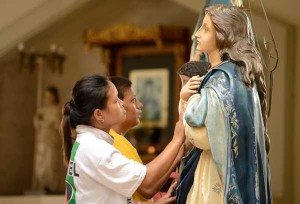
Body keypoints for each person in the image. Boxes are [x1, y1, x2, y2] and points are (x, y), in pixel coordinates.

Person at [175, 5, 272, 204]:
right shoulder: (238, 75)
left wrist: (187, 99)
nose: (197, 34)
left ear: (223, 34)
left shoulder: (223, 79)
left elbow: (203, 137)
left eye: (206, 28)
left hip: (218, 175)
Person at [61, 75, 185, 204]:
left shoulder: (89, 143)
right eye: (115, 101)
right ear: (99, 114)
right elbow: (147, 183)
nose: (121, 103)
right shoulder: (96, 149)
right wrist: (177, 139)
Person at [109, 76, 180, 203]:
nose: (140, 105)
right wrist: (178, 140)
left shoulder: (119, 140)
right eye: (133, 100)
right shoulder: (114, 141)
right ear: (118, 104)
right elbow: (146, 187)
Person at [33, 86, 65, 193]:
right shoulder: (42, 110)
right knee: (41, 163)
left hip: (52, 141)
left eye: (50, 96)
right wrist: (38, 121)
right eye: (46, 96)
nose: (48, 99)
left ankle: (52, 186)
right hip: (43, 140)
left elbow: (59, 125)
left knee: (51, 163)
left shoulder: (58, 110)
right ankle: (43, 184)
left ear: (54, 97)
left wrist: (50, 124)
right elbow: (37, 123)